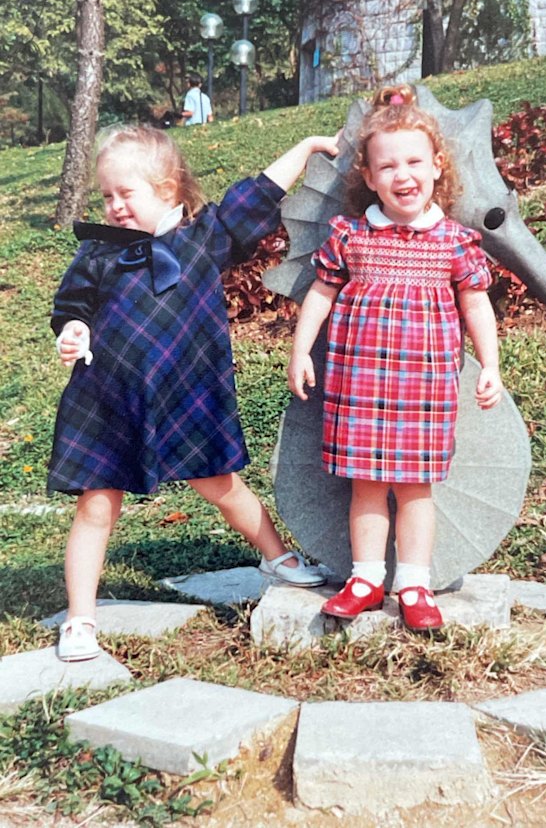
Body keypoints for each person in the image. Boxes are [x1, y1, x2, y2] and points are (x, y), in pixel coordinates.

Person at [49, 124, 340, 661]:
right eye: (106, 195)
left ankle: (276, 557)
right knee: (95, 505)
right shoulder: (97, 254)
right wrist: (73, 330)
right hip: (110, 401)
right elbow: (71, 308)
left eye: (125, 194)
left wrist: (308, 146)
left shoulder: (204, 238)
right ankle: (80, 618)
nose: (113, 206)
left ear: (167, 188)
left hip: (186, 395)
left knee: (223, 486)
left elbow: (258, 193)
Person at [287, 84, 503, 632]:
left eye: (413, 162)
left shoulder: (454, 242)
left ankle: (413, 583)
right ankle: (364, 579)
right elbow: (320, 293)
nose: (402, 175)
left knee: (415, 488)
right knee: (363, 485)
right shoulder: (351, 236)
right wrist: (300, 351)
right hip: (358, 383)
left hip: (424, 388)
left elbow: (476, 305)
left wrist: (492, 365)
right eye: (386, 166)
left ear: (436, 167)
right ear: (369, 176)